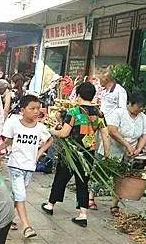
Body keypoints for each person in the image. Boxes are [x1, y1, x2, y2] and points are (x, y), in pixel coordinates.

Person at [43, 82, 110, 227]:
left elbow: (64, 133)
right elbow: (105, 134)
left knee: (61, 178)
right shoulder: (99, 113)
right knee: (83, 182)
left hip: (71, 152)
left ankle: (50, 205)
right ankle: (83, 214)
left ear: (79, 95)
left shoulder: (74, 112)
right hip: (88, 154)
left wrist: (52, 131)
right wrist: (106, 153)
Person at [0, 95, 53, 238]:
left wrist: (39, 154)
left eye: (38, 108)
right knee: (21, 194)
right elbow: (7, 142)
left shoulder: (40, 128)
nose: (36, 111)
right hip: (15, 165)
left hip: (30, 166)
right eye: (32, 108)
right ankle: (26, 226)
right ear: (22, 110)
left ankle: (6, 218)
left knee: (17, 195)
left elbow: (49, 140)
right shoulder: (14, 124)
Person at [104, 91, 146, 215]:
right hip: (114, 147)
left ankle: (115, 204)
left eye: (142, 107)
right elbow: (112, 131)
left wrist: (138, 149)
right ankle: (91, 197)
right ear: (130, 103)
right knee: (105, 173)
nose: (141, 109)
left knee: (122, 176)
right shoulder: (118, 113)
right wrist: (127, 145)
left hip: (130, 151)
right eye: (139, 106)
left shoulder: (143, 117)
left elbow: (144, 135)